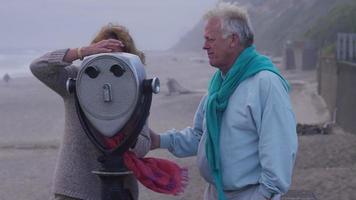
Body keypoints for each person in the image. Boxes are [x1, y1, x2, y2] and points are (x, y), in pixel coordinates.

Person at [150, 2, 298, 200]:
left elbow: (280, 151)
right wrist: (159, 140)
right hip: (216, 192)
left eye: (210, 39)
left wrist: (263, 195)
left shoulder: (265, 84)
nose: (204, 46)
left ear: (233, 40)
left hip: (250, 195)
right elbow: (200, 136)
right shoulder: (220, 83)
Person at [30, 24, 150, 200]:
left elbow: (141, 148)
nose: (109, 65)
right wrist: (81, 52)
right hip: (75, 187)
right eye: (102, 54)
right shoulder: (77, 80)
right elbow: (38, 67)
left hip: (120, 188)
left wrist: (129, 116)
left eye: (116, 62)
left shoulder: (137, 90)